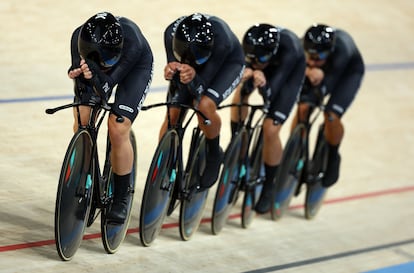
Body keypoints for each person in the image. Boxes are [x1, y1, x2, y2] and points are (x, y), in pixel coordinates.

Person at [67, 12, 153, 223]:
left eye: (108, 60)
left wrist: (96, 72)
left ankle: (121, 198)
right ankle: (86, 178)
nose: (106, 63)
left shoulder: (133, 44)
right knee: (82, 119)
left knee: (118, 126)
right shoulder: (79, 37)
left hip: (134, 68)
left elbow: (106, 88)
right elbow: (83, 87)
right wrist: (77, 72)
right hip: (93, 67)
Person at [162, 13, 245, 190]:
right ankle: (164, 163)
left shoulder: (222, 42)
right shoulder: (170, 33)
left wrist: (193, 77)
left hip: (226, 64)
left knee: (203, 105)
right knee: (173, 113)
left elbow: (199, 90)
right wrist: (171, 67)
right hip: (192, 59)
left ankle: (214, 154)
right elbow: (173, 65)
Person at [230, 24, 306, 214]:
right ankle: (237, 144)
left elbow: (271, 94)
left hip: (287, 75)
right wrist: (246, 74)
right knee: (242, 91)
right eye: (251, 59)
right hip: (266, 65)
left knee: (271, 128)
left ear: (271, 54)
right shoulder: (251, 49)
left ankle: (269, 186)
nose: (255, 63)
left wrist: (262, 81)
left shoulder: (290, 51)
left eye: (261, 59)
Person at [291, 23, 364, 187]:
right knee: (303, 107)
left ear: (328, 54)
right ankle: (295, 151)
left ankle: (333, 157)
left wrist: (312, 74)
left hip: (347, 74)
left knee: (331, 114)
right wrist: (309, 70)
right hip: (321, 72)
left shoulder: (341, 51)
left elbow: (326, 85)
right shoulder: (304, 45)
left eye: (317, 58)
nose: (311, 61)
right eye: (308, 56)